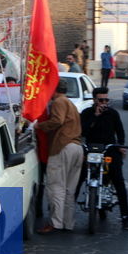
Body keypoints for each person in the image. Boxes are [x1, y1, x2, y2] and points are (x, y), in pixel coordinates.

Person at [80, 87, 128, 230]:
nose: (104, 103)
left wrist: (120, 146)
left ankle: (125, 217)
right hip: (91, 151)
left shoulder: (113, 114)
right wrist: (95, 117)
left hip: (110, 150)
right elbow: (82, 131)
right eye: (101, 100)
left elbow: (120, 132)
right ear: (94, 100)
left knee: (118, 181)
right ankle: (66, 216)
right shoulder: (86, 113)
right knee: (78, 178)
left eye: (106, 100)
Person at [35, 79, 84, 234]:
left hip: (62, 146)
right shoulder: (71, 104)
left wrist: (39, 126)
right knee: (69, 190)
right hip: (76, 146)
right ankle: (67, 223)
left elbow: (57, 121)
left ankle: (55, 223)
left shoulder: (59, 102)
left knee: (56, 187)